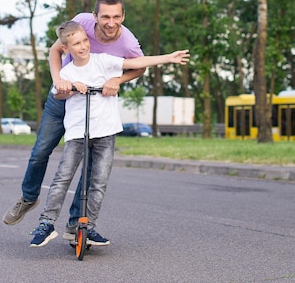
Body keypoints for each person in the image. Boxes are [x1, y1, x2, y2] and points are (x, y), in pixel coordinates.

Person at [29, 21, 190, 247]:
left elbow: (135, 62)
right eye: (76, 43)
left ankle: (88, 226)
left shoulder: (103, 61)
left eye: (85, 40)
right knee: (62, 177)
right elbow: (58, 95)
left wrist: (167, 58)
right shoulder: (66, 73)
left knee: (99, 182)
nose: (83, 46)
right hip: (77, 134)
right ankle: (46, 223)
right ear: (66, 49)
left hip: (105, 133)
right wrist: (70, 86)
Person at [3, 0, 145, 239]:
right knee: (40, 151)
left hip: (92, 102)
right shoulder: (81, 23)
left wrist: (117, 79)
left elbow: (140, 65)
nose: (111, 23)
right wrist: (58, 80)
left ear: (123, 16)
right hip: (63, 97)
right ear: (95, 17)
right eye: (105, 17)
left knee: (89, 168)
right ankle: (28, 197)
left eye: (116, 17)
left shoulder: (128, 43)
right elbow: (55, 50)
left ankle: (77, 226)